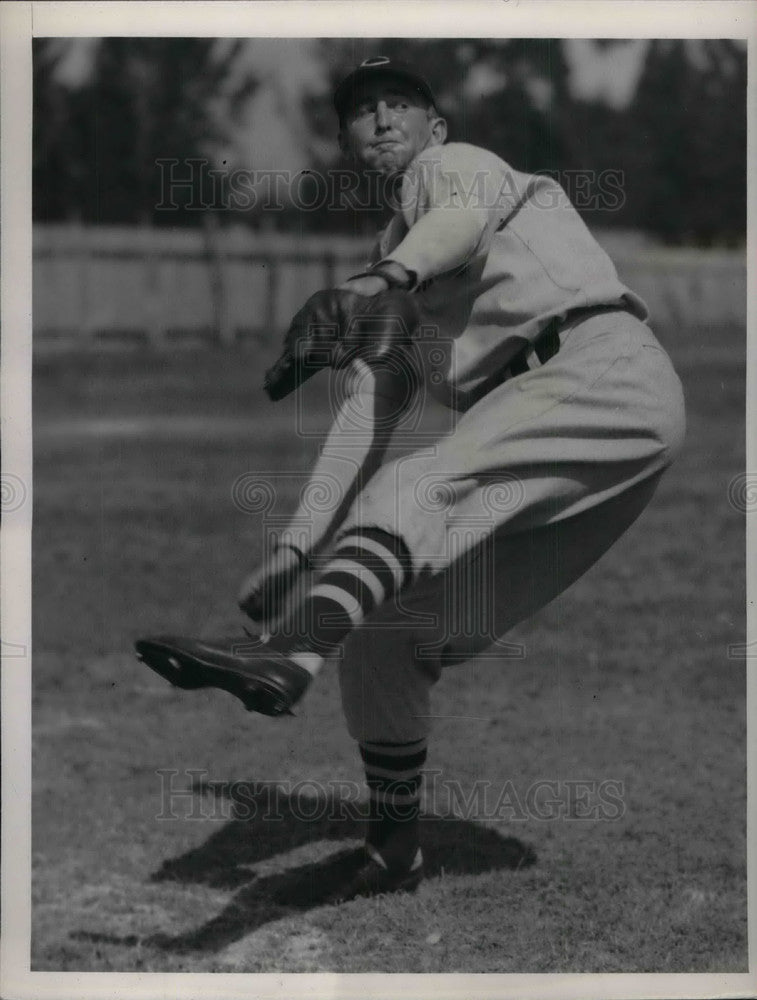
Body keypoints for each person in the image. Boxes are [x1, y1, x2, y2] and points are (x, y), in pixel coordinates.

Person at [136, 56, 686, 900]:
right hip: (565, 423)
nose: (382, 120)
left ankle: (287, 654)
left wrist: (378, 281)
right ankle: (394, 852)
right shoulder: (394, 257)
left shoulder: (453, 171)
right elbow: (370, 407)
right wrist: (296, 547)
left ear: (436, 124)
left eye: (400, 104)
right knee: (392, 633)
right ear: (349, 141)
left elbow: (458, 221)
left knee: (411, 490)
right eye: (362, 111)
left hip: (596, 366)